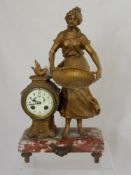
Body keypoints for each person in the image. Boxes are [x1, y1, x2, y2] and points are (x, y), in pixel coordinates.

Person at [49, 7, 102, 136]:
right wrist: (51, 65)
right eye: (70, 17)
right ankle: (67, 125)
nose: (72, 20)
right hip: (67, 68)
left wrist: (99, 67)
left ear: (78, 21)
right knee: (68, 96)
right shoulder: (62, 35)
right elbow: (52, 51)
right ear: (66, 19)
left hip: (81, 68)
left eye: (74, 18)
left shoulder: (81, 36)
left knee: (81, 96)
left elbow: (92, 52)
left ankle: (80, 126)